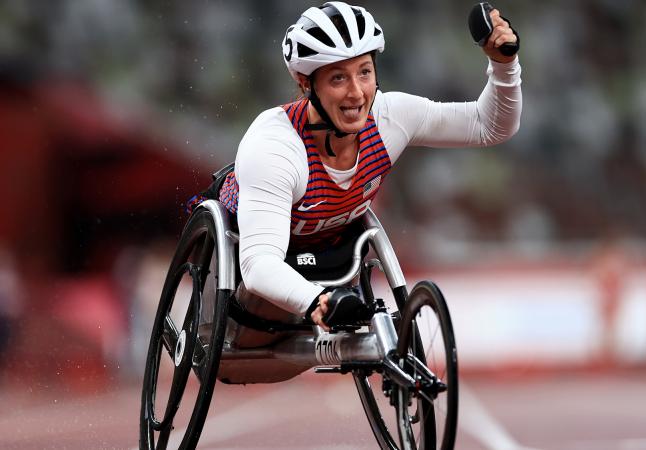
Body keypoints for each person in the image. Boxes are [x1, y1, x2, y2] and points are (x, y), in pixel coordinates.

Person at [222, 1, 521, 332]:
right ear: (307, 83)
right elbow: (258, 264)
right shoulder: (275, 146)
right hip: (253, 271)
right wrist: (315, 301)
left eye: (364, 72)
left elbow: (489, 126)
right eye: (338, 78)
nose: (356, 93)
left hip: (334, 255)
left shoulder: (390, 118)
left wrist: (503, 63)